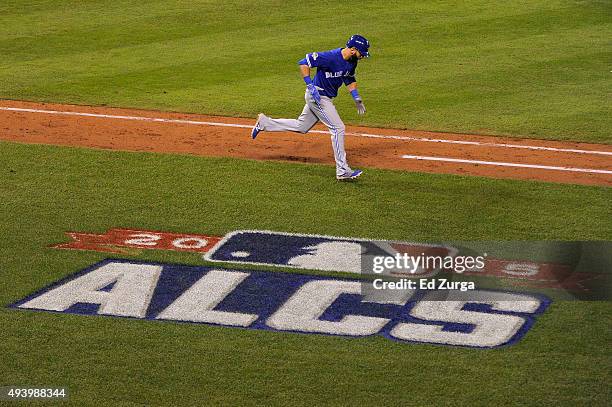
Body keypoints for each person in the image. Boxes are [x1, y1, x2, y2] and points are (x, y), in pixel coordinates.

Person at [251, 34, 370, 180]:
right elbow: (304, 62)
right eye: (361, 53)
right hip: (318, 96)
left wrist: (356, 97)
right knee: (338, 128)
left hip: (325, 97)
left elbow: (348, 77)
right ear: (353, 49)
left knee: (302, 126)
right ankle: (342, 170)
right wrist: (309, 84)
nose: (363, 56)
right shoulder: (330, 57)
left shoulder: (351, 62)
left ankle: (265, 122)